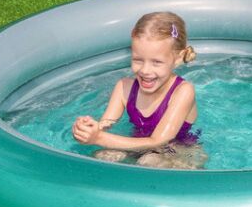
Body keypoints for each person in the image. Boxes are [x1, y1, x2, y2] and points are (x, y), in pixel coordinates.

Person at [72, 12, 206, 169]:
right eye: (138, 60)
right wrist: (90, 129)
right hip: (139, 146)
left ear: (177, 58)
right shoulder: (124, 87)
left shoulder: (183, 91)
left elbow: (159, 141)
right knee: (103, 155)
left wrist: (98, 138)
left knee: (149, 161)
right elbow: (107, 123)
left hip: (177, 151)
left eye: (156, 62)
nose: (145, 70)